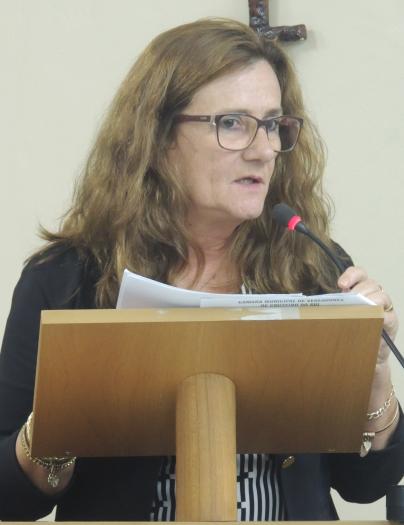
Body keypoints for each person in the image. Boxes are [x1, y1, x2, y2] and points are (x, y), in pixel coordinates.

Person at [0, 17, 403, 522]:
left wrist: (374, 372)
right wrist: (58, 421)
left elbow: (366, 484)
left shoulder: (310, 263)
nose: (263, 150)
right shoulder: (67, 278)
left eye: (272, 124)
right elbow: (11, 498)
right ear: (159, 135)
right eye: (232, 123)